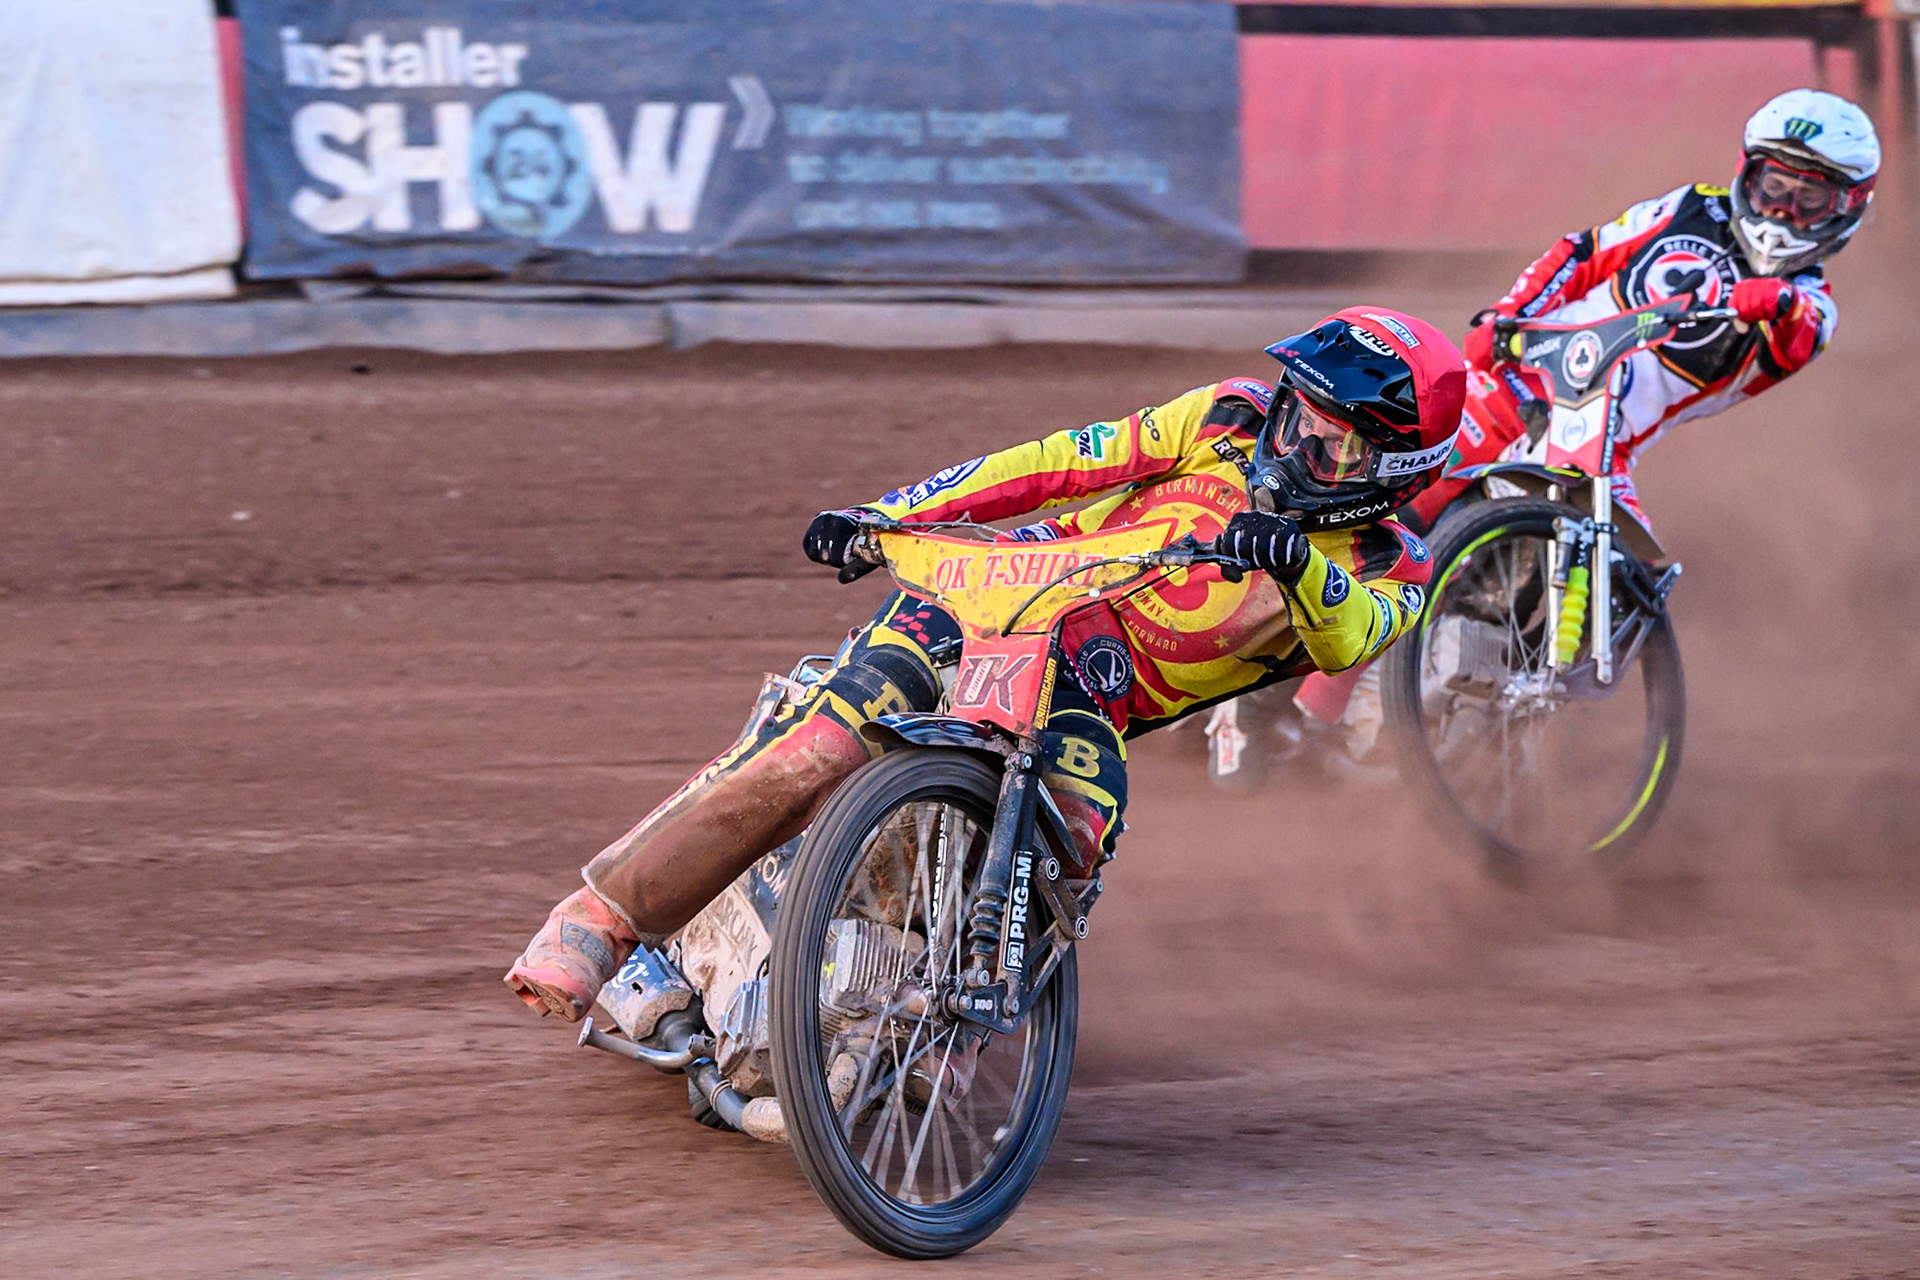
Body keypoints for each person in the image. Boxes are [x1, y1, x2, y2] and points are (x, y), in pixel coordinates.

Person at [505, 307, 1465, 1022]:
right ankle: (601, 918)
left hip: (1087, 688)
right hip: (987, 594)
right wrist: (892, 515)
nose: (1291, 439)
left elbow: (1353, 636)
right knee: (819, 749)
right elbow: (1061, 462)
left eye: (1329, 441)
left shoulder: (1392, 562)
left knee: (1082, 831)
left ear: (1388, 473)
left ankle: (958, 1035)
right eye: (1298, 409)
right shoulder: (1225, 415)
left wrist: (1295, 564)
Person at [1290, 88, 1880, 762]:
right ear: (1749, 172)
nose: (1783, 210)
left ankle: (1490, 702)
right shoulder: (1692, 207)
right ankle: (1307, 699)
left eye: (1809, 198)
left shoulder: (1813, 306)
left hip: (1604, 439)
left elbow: (1802, 328)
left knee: (1634, 586)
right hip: (1526, 375)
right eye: (1775, 185)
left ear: (1847, 206)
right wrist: (1506, 316)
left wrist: (1769, 297)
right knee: (1407, 508)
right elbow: (1585, 253)